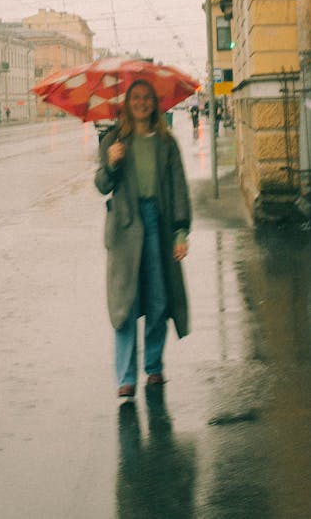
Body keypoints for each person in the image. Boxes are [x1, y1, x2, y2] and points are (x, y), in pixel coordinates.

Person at [94, 80, 191, 402]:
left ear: (155, 103)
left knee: (159, 301)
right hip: (125, 228)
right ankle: (125, 377)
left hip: (158, 226)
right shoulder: (113, 140)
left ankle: (153, 366)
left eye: (147, 97)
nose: (142, 102)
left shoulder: (166, 143)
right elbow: (102, 185)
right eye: (136, 97)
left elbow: (178, 187)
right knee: (125, 305)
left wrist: (181, 231)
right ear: (127, 103)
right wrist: (111, 162)